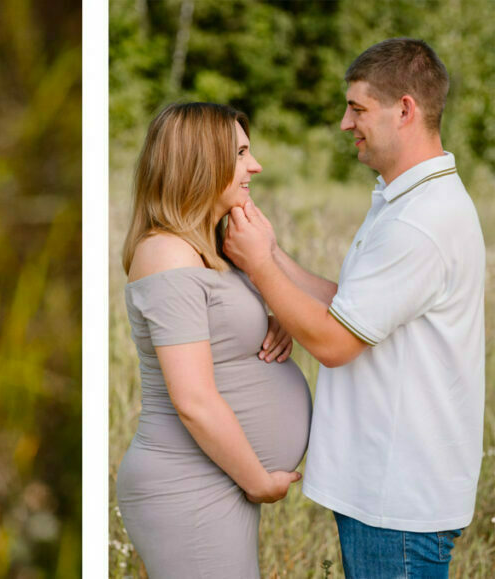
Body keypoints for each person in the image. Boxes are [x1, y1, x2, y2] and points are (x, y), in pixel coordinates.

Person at [223, 38, 484, 576]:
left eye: (358, 108)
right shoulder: (406, 199)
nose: (346, 123)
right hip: (388, 492)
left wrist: (263, 270)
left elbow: (335, 341)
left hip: (398, 503)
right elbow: (352, 306)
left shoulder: (422, 220)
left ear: (405, 109)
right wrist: (269, 255)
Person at [116, 102, 312, 578]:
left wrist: (278, 308)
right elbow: (194, 400)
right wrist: (259, 482)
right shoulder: (166, 254)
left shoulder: (207, 248)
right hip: (189, 486)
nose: (256, 166)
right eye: (242, 153)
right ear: (202, 163)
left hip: (212, 481)